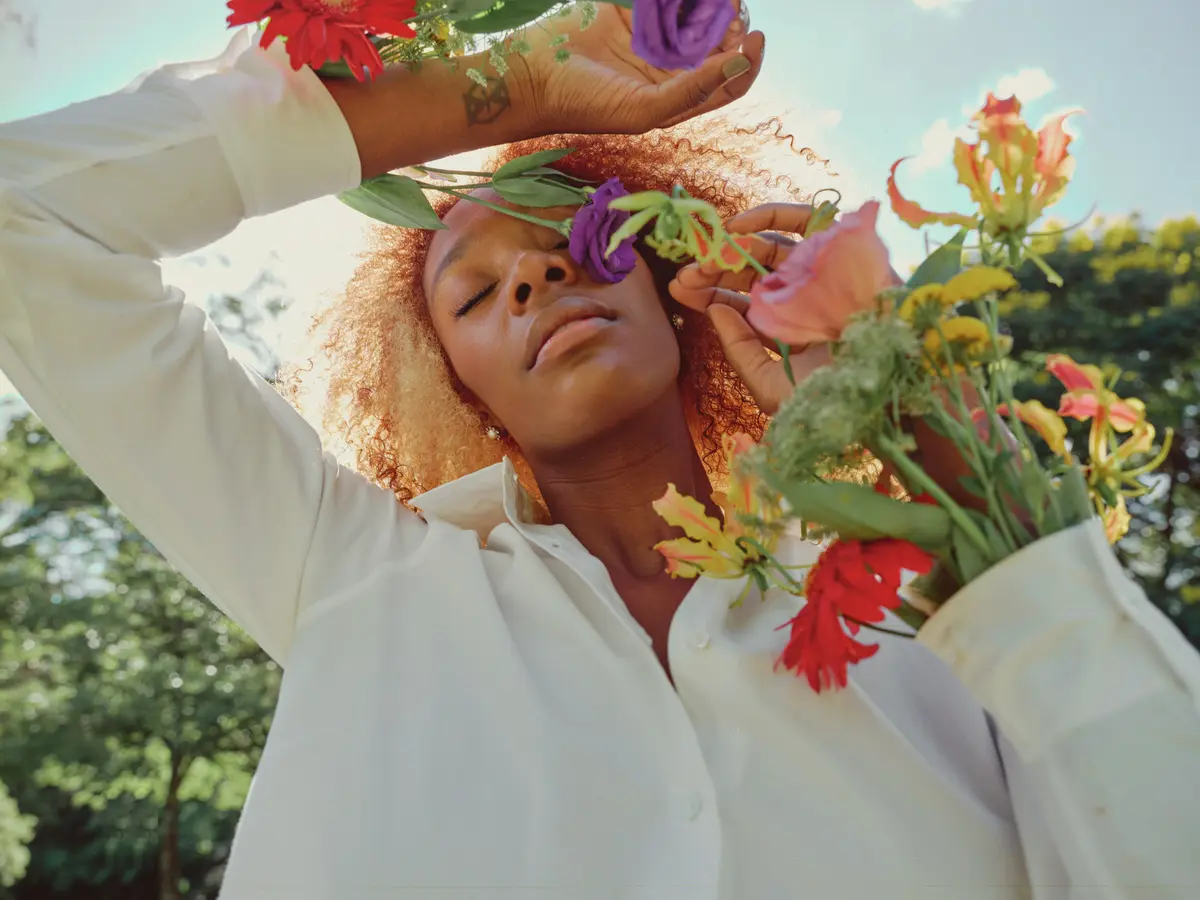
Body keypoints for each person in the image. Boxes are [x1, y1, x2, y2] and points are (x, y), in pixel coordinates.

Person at [2, 5, 1198, 899]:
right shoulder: (355, 581)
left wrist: (940, 457)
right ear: (452, 387)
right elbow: (25, 218)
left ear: (684, 296)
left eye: (578, 241)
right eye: (475, 294)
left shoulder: (935, 625)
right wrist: (500, 92)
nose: (532, 272)